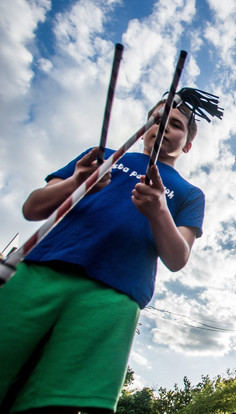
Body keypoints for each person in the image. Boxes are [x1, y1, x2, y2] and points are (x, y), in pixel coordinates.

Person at [0, 89, 217, 413]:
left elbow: (177, 258)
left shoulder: (190, 193)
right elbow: (33, 208)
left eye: (174, 124)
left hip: (115, 296)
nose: (162, 127)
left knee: (56, 402)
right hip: (41, 271)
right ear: (144, 127)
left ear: (187, 143)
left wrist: (159, 209)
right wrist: (77, 182)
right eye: (156, 119)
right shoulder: (101, 157)